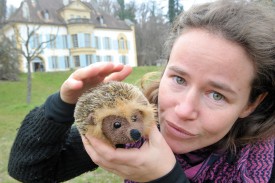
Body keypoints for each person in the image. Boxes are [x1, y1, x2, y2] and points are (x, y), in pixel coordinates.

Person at [8, 0, 275, 182]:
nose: (183, 111)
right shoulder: (136, 123)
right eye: (179, 79)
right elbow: (30, 170)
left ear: (251, 103)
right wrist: (63, 104)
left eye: (217, 95)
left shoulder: (264, 166)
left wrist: (164, 177)